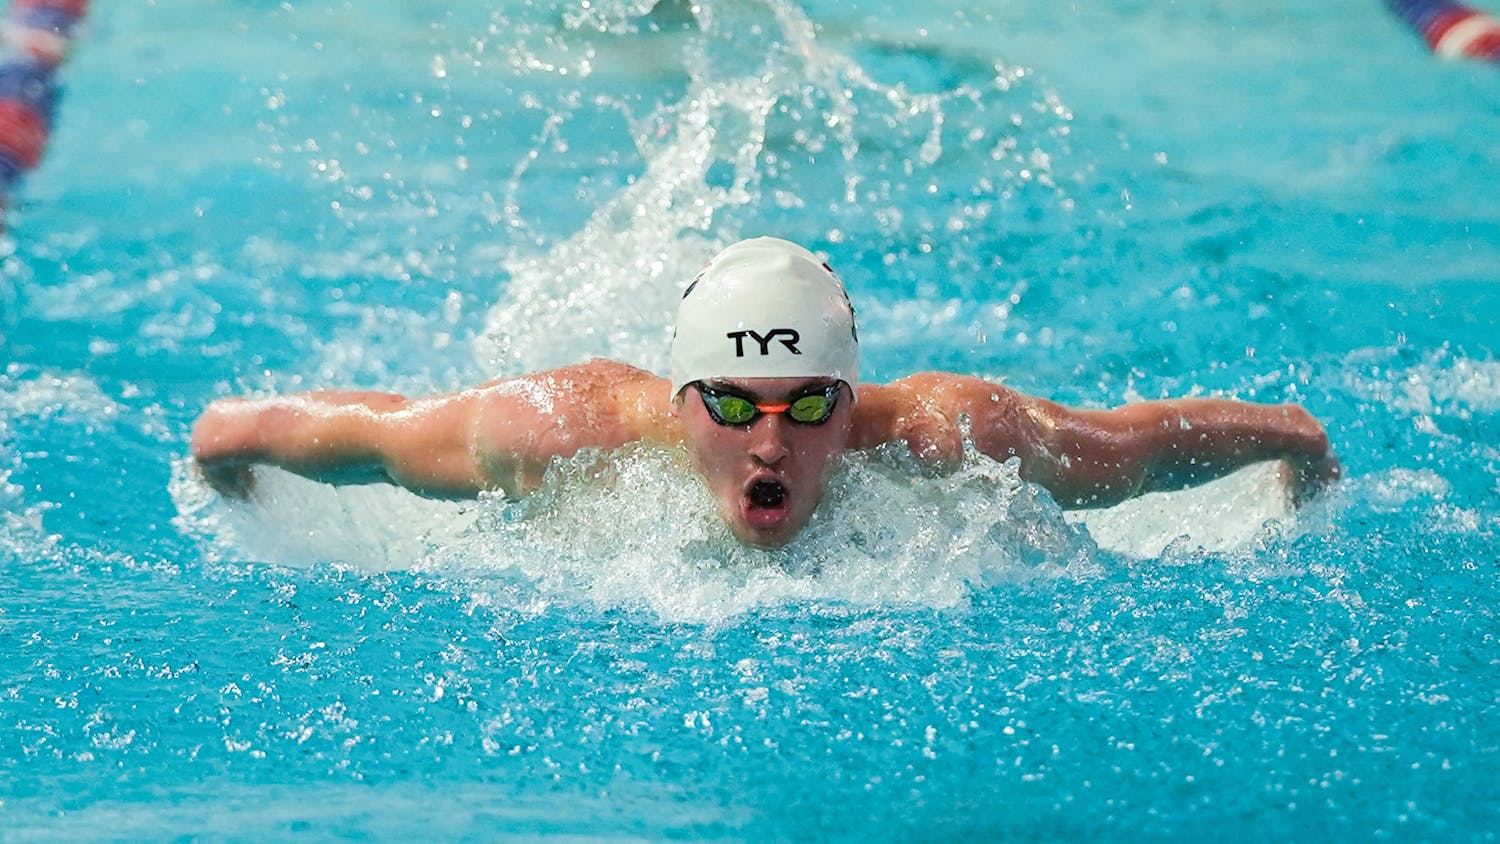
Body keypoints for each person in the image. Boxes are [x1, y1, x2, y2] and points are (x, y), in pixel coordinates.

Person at [191, 237, 1339, 548]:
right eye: (736, 404)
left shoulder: (954, 435)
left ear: (856, 398)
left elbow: (1139, 446)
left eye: (809, 403)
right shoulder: (550, 431)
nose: (774, 438)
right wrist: (230, 462)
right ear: (683, 399)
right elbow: (300, 429)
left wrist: (1294, 443)